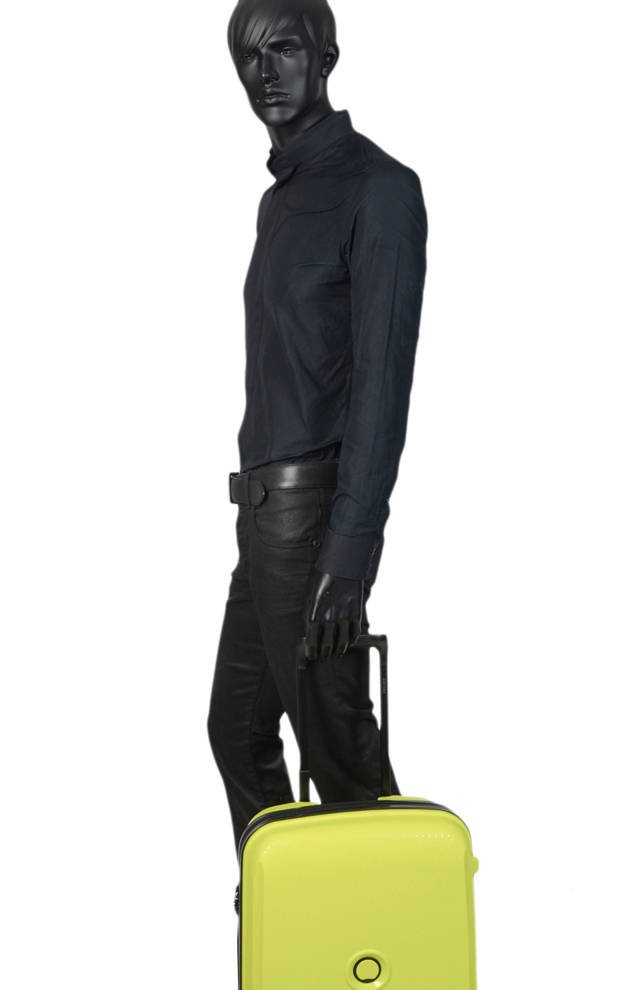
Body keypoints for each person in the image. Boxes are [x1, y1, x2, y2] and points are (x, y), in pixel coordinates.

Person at [208, 0, 428, 849]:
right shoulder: (280, 202)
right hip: (262, 526)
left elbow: (381, 387)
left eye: (286, 49)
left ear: (328, 56)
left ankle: (390, 923)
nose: (266, 72)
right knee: (237, 730)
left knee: (342, 763)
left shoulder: (380, 191)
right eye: (248, 56)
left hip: (313, 526)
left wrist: (350, 552)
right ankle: (281, 912)